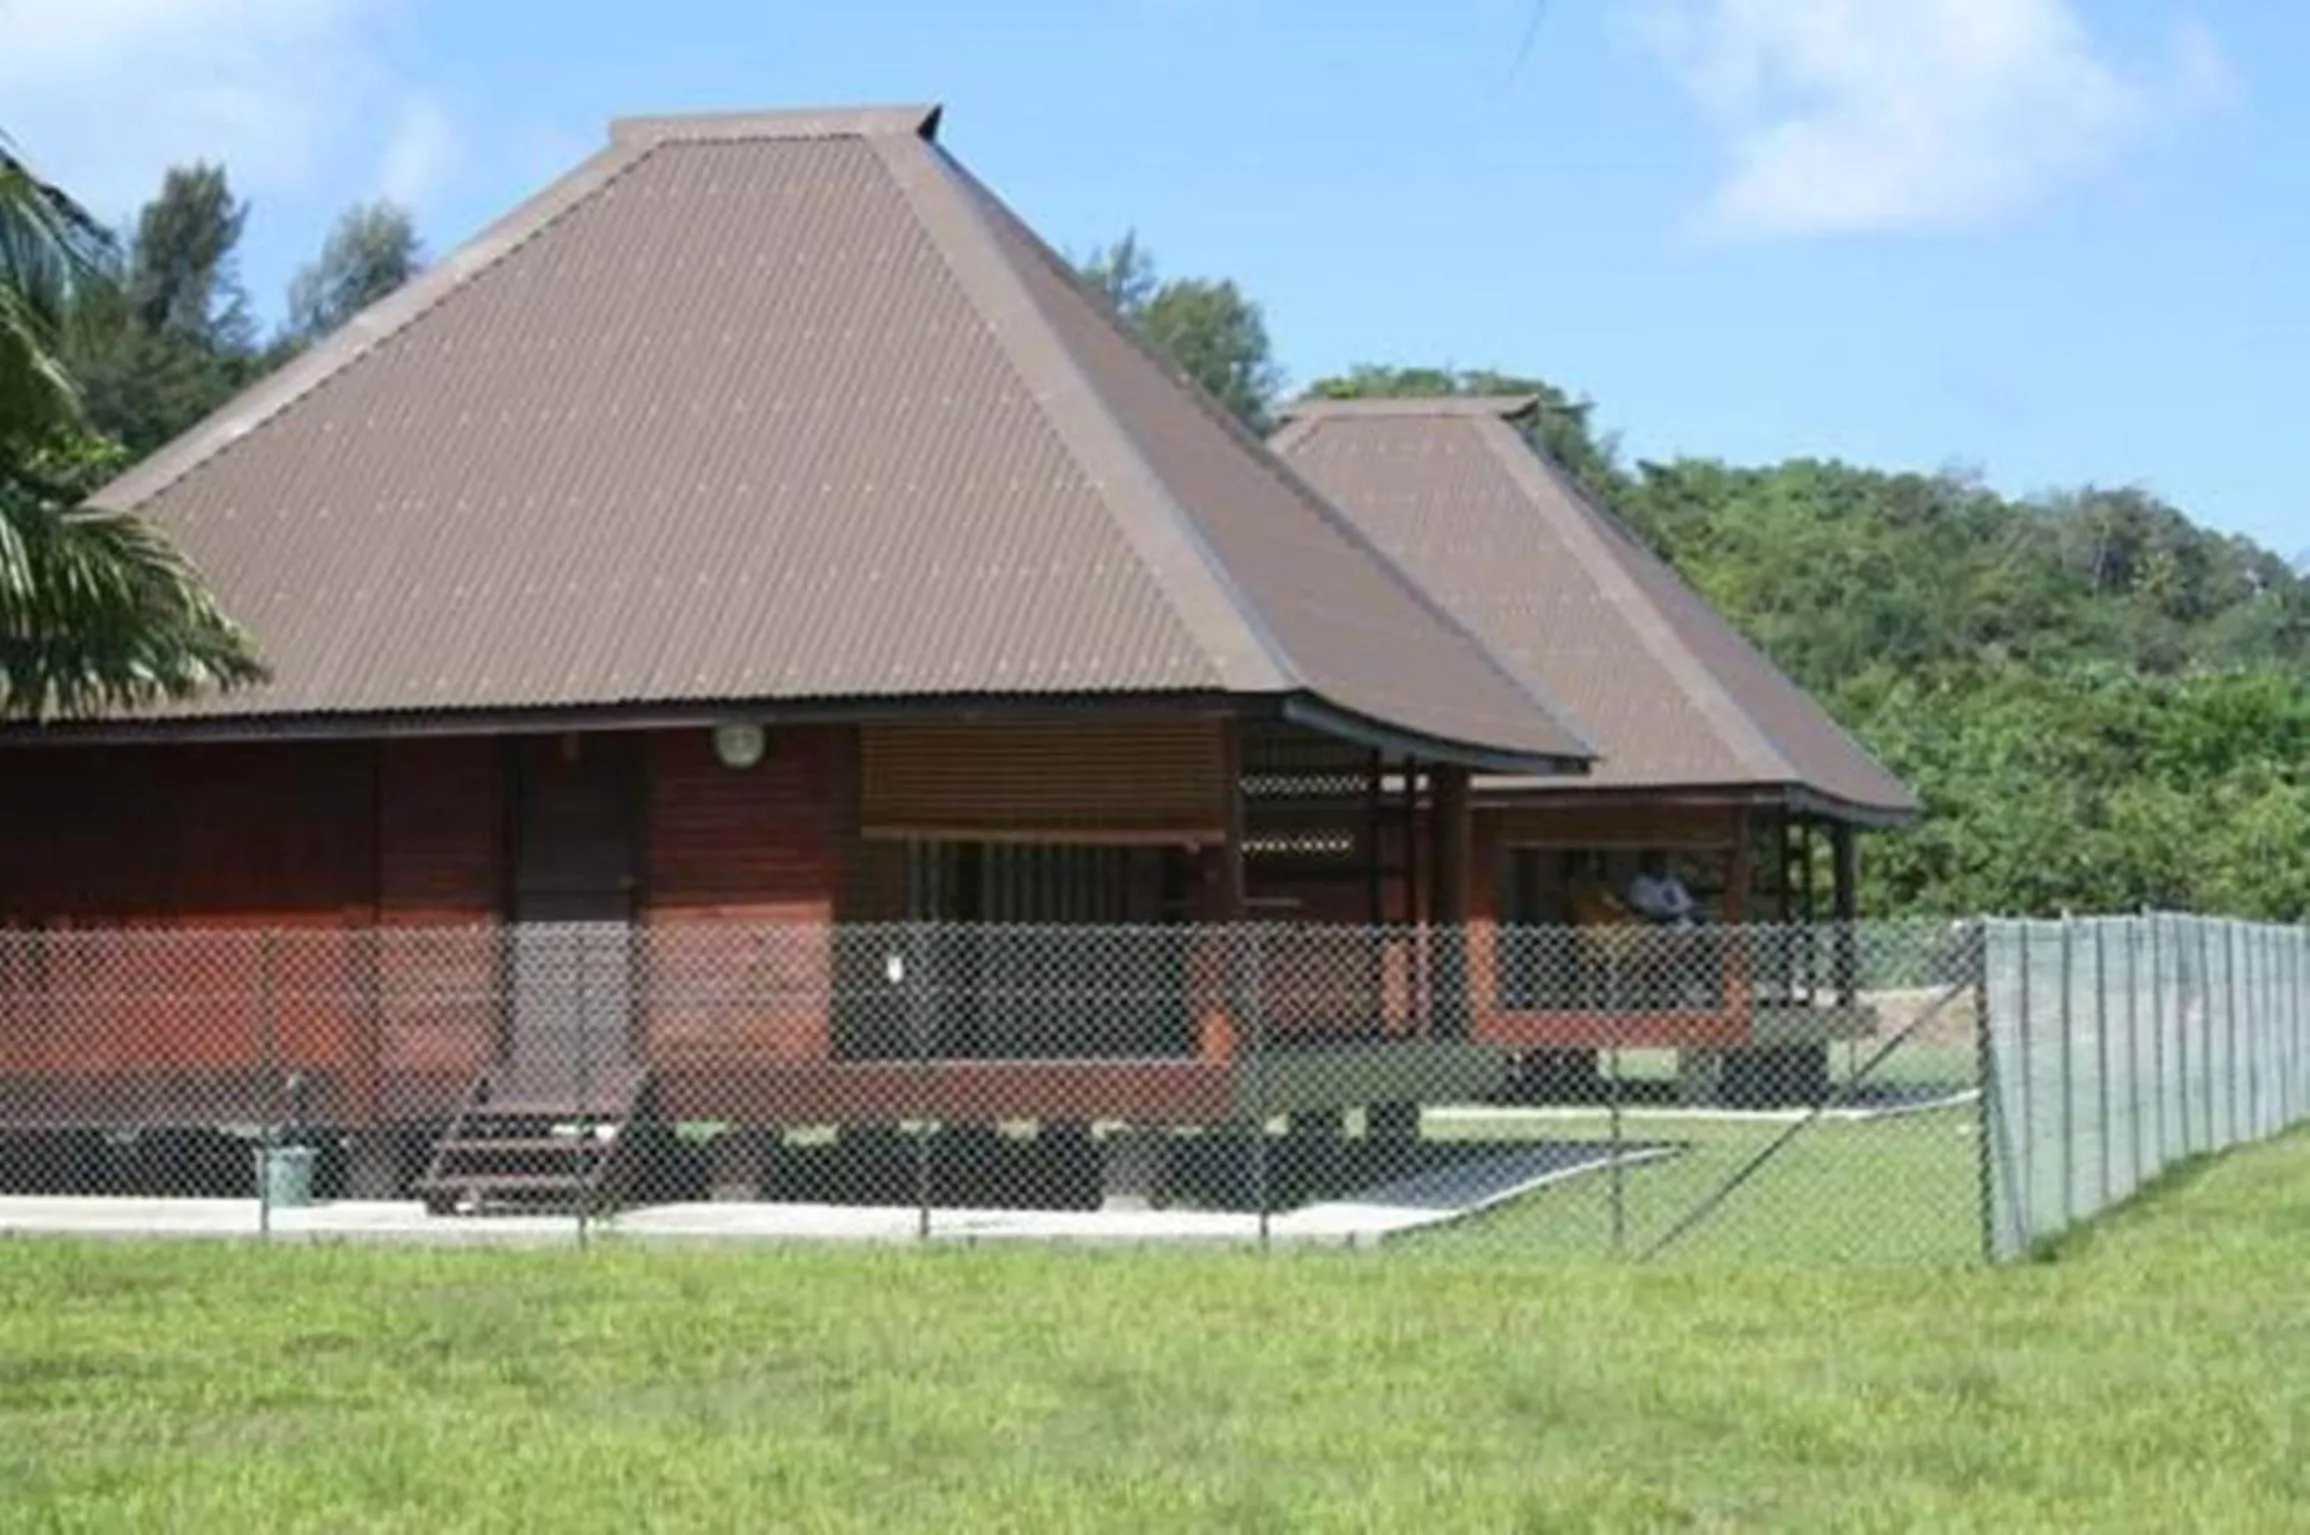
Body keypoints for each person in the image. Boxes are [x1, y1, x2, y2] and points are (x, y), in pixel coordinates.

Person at [1626, 851, 1700, 928]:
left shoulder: (1672, 882)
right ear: (1648, 864)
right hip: (1655, 927)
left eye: (1663, 862)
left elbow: (1686, 905)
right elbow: (1645, 911)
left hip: (1683, 924)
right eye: (1657, 863)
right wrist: (1669, 916)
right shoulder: (1641, 883)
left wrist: (1692, 911)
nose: (1662, 866)